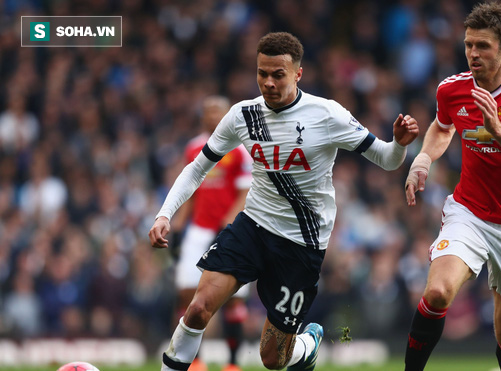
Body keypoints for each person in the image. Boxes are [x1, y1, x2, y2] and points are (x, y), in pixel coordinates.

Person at [149, 31, 419, 371]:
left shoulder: (327, 114)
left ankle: (306, 344)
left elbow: (388, 159)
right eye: (262, 73)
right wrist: (164, 214)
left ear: (297, 74)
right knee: (198, 307)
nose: (269, 82)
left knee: (271, 358)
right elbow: (197, 168)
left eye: (278, 74)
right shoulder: (242, 116)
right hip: (253, 226)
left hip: (301, 244)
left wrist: (399, 144)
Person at [403, 3, 501, 370]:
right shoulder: (452, 89)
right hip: (469, 212)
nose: (472, 53)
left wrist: (498, 129)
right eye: (469, 45)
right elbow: (442, 126)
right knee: (437, 292)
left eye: (482, 46)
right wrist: (423, 159)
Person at [168, 96, 253, 371]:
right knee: (187, 294)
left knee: (234, 296)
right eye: (207, 112)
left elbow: (245, 192)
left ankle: (233, 363)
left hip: (231, 231)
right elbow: (190, 190)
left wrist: (227, 223)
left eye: (217, 111)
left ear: (226, 115)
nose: (212, 116)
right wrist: (179, 226)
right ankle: (197, 361)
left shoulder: (240, 150)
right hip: (199, 229)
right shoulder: (194, 148)